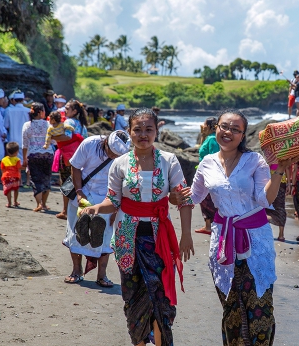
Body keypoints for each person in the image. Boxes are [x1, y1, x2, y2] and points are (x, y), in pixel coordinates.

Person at [80, 107, 194, 346]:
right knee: (133, 298)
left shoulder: (169, 160)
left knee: (161, 298)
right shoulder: (119, 164)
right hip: (126, 239)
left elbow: (184, 198)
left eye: (148, 129)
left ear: (156, 132)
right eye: (137, 129)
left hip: (160, 238)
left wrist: (186, 235)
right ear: (129, 132)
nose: (143, 134)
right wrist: (96, 208)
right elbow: (113, 201)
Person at [185, 108, 299, 346]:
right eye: (224, 126)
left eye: (235, 129)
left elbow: (264, 199)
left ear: (243, 135)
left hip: (255, 241)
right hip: (223, 242)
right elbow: (192, 197)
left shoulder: (254, 161)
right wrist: (171, 196)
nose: (228, 132)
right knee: (232, 308)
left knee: (260, 308)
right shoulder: (206, 163)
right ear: (215, 128)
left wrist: (279, 172)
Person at [62, 131, 131, 286]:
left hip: (107, 199)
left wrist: (116, 208)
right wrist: (79, 193)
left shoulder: (126, 157)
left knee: (105, 237)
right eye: (111, 153)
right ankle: (76, 271)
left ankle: (102, 276)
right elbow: (75, 166)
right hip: (83, 193)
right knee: (75, 233)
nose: (113, 157)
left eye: (117, 155)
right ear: (105, 142)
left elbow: (123, 183)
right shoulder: (89, 143)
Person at [52, 100, 88, 220]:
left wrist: (52, 136)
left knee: (65, 182)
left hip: (67, 156)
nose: (65, 110)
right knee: (77, 183)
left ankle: (65, 211)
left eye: (67, 108)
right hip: (80, 157)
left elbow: (67, 136)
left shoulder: (68, 122)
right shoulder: (82, 124)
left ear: (74, 111)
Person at [22, 102, 54, 212]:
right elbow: (53, 141)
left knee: (35, 180)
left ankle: (39, 204)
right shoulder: (48, 124)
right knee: (47, 179)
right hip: (47, 154)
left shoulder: (27, 125)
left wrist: (24, 158)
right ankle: (44, 204)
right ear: (40, 113)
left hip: (33, 155)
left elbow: (25, 144)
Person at [195, 117, 220, 235]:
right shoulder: (209, 138)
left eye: (205, 124)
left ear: (210, 126)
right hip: (205, 172)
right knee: (205, 199)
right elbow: (201, 148)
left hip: (209, 173)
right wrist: (202, 134)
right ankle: (209, 225)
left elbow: (214, 157)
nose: (203, 126)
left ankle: (211, 225)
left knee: (207, 199)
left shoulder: (212, 139)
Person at [3, 91, 30, 163]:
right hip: (25, 141)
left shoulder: (9, 110)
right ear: (23, 99)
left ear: (14, 100)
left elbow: (6, 125)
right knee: (25, 162)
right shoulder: (28, 111)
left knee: (14, 163)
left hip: (13, 141)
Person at [0, 142, 22, 208]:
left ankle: (9, 202)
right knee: (16, 189)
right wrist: (20, 178)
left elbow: (2, 169)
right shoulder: (17, 160)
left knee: (8, 190)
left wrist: (3, 175)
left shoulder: (3, 160)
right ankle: (15, 201)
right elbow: (19, 169)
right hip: (15, 177)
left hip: (6, 177)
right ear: (16, 152)